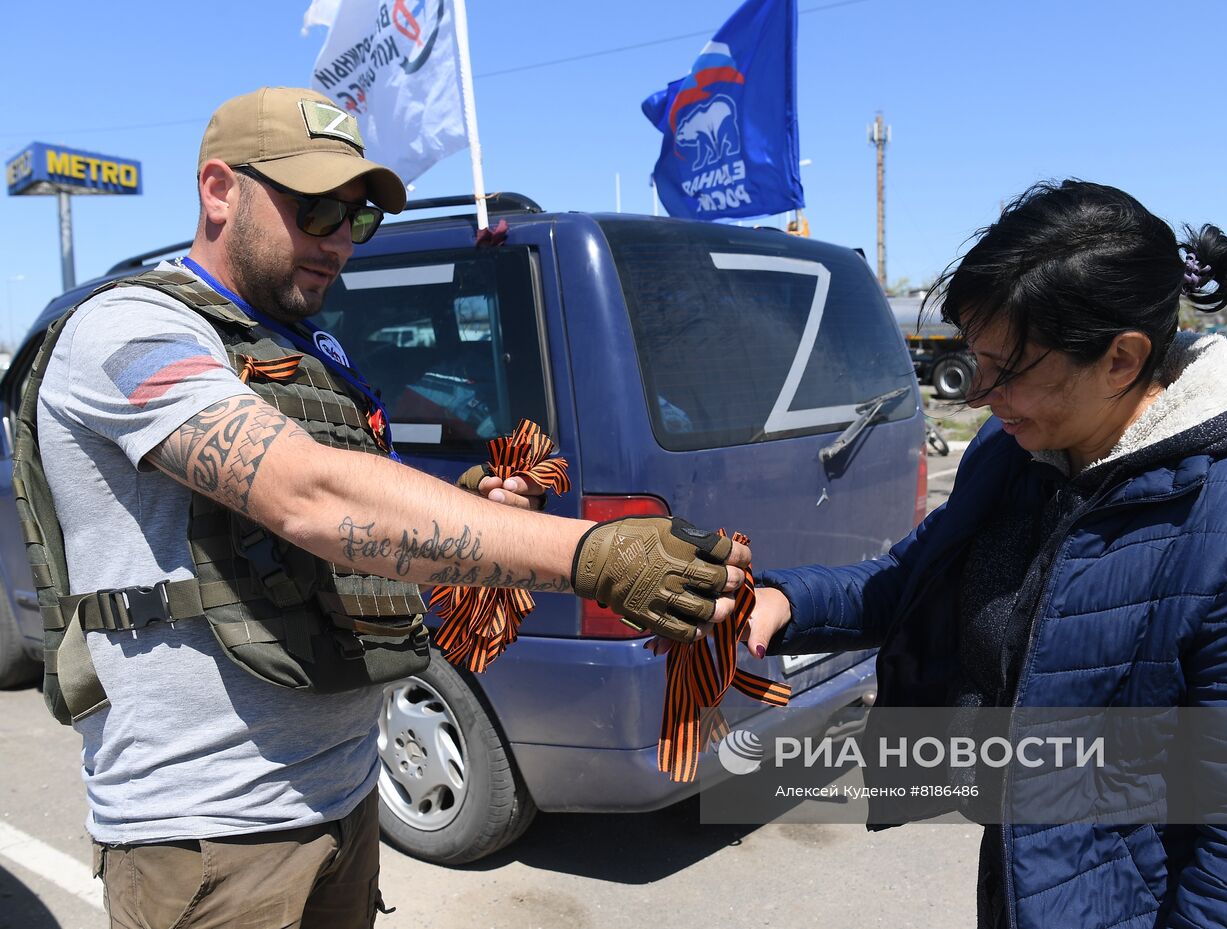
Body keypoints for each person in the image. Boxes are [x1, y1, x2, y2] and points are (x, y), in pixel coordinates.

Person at [25, 87, 750, 929]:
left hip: (344, 794)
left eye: (356, 219)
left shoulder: (306, 346)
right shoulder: (126, 331)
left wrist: (469, 500)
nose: (337, 240)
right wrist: (592, 555)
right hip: (210, 838)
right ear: (219, 189)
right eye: (316, 207)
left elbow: (368, 491)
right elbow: (307, 492)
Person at [742, 181, 1227, 929]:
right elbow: (912, 576)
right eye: (976, 358)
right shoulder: (1015, 450)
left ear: (1122, 359)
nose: (980, 393)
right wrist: (785, 601)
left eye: (1010, 368)